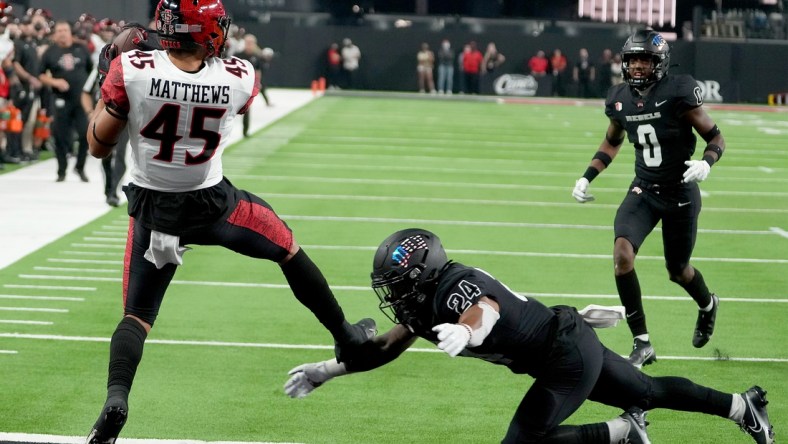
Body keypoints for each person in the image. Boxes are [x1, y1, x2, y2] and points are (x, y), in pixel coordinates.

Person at [83, 1, 373, 442]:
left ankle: (116, 398)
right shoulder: (239, 76)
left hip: (153, 208)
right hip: (215, 205)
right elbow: (202, 95)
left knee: (137, 316)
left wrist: (111, 80)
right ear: (206, 31)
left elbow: (99, 147)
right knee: (288, 250)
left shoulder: (132, 69)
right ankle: (346, 336)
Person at [284, 228, 774, 444]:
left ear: (426, 275)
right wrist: (327, 371)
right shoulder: (427, 298)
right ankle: (740, 406)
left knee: (524, 441)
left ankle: (622, 433)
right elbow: (384, 348)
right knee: (648, 390)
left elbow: (487, 308)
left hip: (562, 356)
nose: (395, 297)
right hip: (562, 340)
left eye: (399, 286)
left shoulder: (455, 287)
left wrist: (465, 329)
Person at [571, 29, 726, 369]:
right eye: (633, 60)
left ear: (660, 62)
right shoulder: (618, 98)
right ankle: (642, 342)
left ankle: (707, 304)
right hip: (644, 189)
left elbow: (715, 136)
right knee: (622, 255)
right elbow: (613, 141)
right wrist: (587, 175)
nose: (638, 66)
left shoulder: (679, 91)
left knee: (678, 270)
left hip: (681, 191)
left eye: (645, 60)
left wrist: (706, 162)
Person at [39, 20, 92, 182]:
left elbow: (90, 69)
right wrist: (55, 82)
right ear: (55, 33)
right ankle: (61, 170)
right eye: (59, 30)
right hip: (60, 100)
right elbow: (40, 75)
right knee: (60, 135)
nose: (62, 33)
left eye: (65, 30)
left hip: (81, 100)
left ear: (70, 32)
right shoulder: (50, 52)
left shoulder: (81, 48)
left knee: (86, 134)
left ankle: (80, 166)